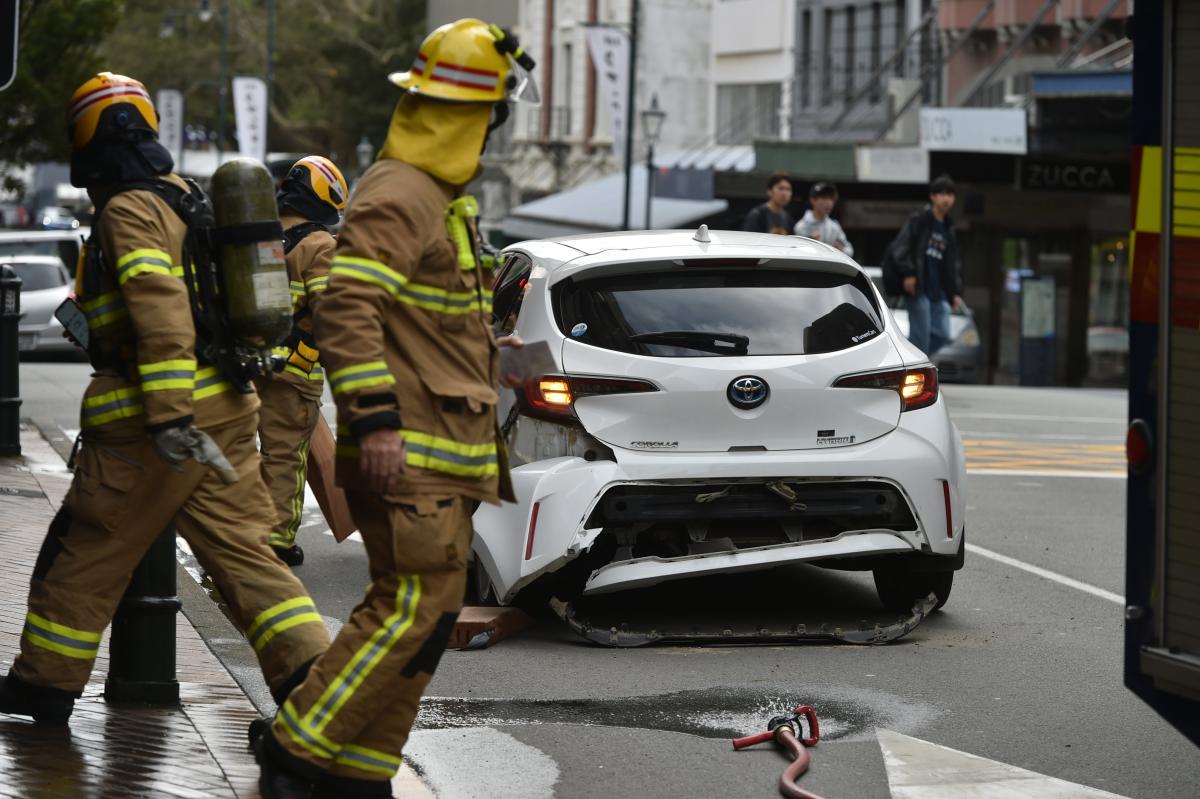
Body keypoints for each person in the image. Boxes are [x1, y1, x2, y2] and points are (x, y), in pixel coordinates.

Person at [252, 20, 534, 799]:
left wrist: (490, 358)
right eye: (493, 117)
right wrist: (372, 419)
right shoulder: (402, 194)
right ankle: (296, 748)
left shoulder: (438, 199)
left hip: (441, 453)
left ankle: (359, 771)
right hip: (410, 450)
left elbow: (421, 319)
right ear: (470, 116)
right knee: (409, 607)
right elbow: (348, 308)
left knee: (428, 616)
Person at [0, 73, 329, 725]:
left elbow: (160, 308)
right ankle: (320, 695)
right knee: (249, 563)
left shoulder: (127, 208)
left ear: (92, 134)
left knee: (84, 550)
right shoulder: (182, 196)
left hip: (152, 425)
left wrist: (172, 415)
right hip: (227, 407)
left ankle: (43, 683)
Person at [257, 155, 346, 567]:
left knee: (252, 455)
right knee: (285, 458)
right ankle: (277, 540)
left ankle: (249, 531)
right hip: (294, 375)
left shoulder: (262, 237)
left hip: (252, 366)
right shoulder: (319, 245)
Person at [888, 174, 963, 357]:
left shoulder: (948, 227)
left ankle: (912, 362)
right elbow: (900, 247)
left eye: (950, 194)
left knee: (943, 335)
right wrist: (909, 273)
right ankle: (915, 369)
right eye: (942, 194)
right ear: (933, 196)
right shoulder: (919, 220)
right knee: (920, 339)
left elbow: (951, 263)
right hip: (919, 288)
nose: (947, 199)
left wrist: (954, 293)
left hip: (939, 292)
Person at [794, 181, 854, 256]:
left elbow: (849, 250)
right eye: (824, 198)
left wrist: (840, 250)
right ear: (813, 200)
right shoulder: (801, 226)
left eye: (831, 198)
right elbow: (798, 253)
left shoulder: (834, 226)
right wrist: (811, 244)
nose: (828, 202)